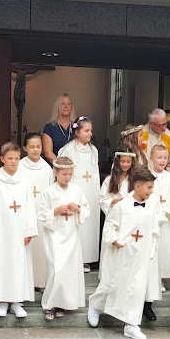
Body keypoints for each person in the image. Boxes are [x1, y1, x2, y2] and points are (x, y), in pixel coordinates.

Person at [87, 168, 161, 339]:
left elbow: (154, 230)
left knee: (136, 288)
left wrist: (151, 249)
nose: (152, 191)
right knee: (111, 285)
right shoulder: (121, 206)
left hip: (140, 256)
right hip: (120, 254)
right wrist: (114, 240)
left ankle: (131, 324)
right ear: (137, 186)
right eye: (149, 188)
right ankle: (95, 305)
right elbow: (110, 226)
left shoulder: (151, 206)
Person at [0, 141, 37, 319]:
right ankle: (2, 302)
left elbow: (30, 206)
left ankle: (17, 302)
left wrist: (29, 230)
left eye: (17, 158)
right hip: (1, 230)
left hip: (19, 231)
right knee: (1, 263)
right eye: (10, 158)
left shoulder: (25, 180)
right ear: (2, 158)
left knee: (19, 263)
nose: (13, 162)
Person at [38, 157, 91, 320]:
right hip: (55, 235)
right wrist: (55, 211)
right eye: (64, 174)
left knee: (68, 271)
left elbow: (86, 209)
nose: (67, 177)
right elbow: (40, 215)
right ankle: (50, 304)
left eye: (70, 174)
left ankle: (63, 304)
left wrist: (79, 209)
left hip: (71, 235)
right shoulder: (48, 192)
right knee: (57, 269)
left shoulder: (76, 190)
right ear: (56, 172)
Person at [58, 116, 100, 273]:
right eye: (86, 130)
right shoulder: (68, 150)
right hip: (75, 192)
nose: (90, 134)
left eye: (91, 130)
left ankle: (87, 258)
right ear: (77, 132)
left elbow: (94, 173)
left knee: (89, 225)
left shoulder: (93, 150)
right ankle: (74, 258)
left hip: (91, 192)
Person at [19, 132, 55, 290]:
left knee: (41, 247)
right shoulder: (19, 166)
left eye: (38, 147)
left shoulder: (47, 169)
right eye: (32, 147)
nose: (35, 150)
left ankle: (40, 282)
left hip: (41, 214)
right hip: (24, 213)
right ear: (24, 148)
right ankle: (24, 283)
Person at [148, 144, 170, 285]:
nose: (162, 161)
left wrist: (164, 211)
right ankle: (152, 278)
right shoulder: (146, 176)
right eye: (159, 157)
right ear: (151, 158)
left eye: (165, 158)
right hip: (151, 218)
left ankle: (161, 278)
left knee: (165, 247)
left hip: (167, 220)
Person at [98, 151, 135, 278]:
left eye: (128, 162)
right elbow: (102, 199)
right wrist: (113, 201)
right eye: (123, 161)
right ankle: (108, 275)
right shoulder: (110, 180)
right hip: (114, 216)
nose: (125, 164)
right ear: (117, 162)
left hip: (129, 218)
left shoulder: (134, 180)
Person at [42, 93, 75, 162]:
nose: (66, 106)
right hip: (57, 168)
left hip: (75, 167)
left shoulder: (77, 126)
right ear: (57, 107)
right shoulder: (50, 127)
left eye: (68, 104)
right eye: (63, 104)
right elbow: (48, 153)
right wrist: (61, 166)